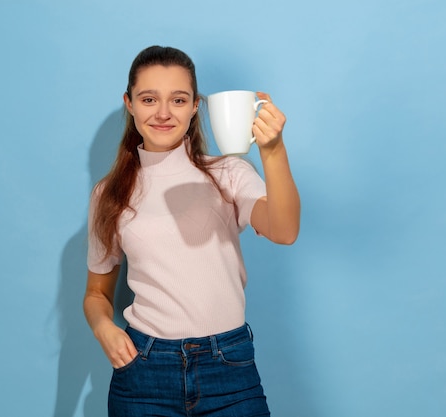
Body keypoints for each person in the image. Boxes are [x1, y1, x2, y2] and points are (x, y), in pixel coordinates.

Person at [84, 45, 300, 417]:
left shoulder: (228, 174)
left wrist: (273, 150)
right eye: (149, 99)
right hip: (142, 373)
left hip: (229, 369)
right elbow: (95, 293)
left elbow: (284, 231)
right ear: (129, 103)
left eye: (178, 100)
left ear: (196, 105)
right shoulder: (109, 194)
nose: (164, 113)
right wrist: (104, 328)